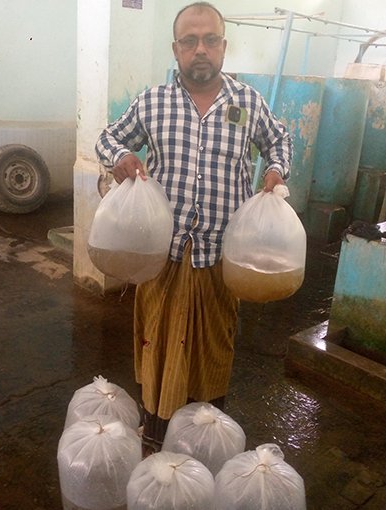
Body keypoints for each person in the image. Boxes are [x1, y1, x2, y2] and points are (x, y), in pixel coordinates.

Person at [94, 1, 293, 449]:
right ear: (176, 49)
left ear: (223, 46)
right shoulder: (153, 103)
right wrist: (121, 156)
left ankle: (204, 436)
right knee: (157, 343)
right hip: (162, 256)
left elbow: (279, 138)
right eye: (189, 41)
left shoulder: (247, 103)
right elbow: (107, 136)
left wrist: (276, 170)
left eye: (209, 40)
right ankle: (157, 428)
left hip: (221, 256)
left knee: (213, 347)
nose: (199, 49)